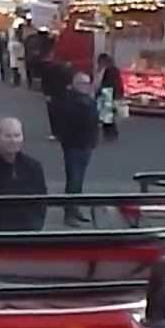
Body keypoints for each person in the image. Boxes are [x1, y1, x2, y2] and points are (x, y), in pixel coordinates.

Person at [57, 71, 99, 226]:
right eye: (83, 83)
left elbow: (94, 122)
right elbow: (66, 124)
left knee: (79, 180)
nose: (86, 86)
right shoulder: (71, 101)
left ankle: (75, 208)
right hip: (74, 146)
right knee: (73, 180)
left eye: (88, 83)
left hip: (86, 145)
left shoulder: (88, 100)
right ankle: (69, 213)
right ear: (75, 85)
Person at [42, 56, 72, 142]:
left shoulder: (49, 68)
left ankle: (56, 133)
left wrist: (46, 94)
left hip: (54, 94)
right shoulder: (66, 70)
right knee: (61, 113)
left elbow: (45, 82)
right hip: (61, 94)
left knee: (54, 114)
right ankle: (61, 132)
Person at [95, 53, 124, 141]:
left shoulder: (109, 70)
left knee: (106, 116)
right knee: (107, 116)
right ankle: (110, 133)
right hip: (111, 93)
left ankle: (110, 134)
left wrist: (99, 92)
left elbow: (107, 83)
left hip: (108, 93)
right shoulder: (113, 69)